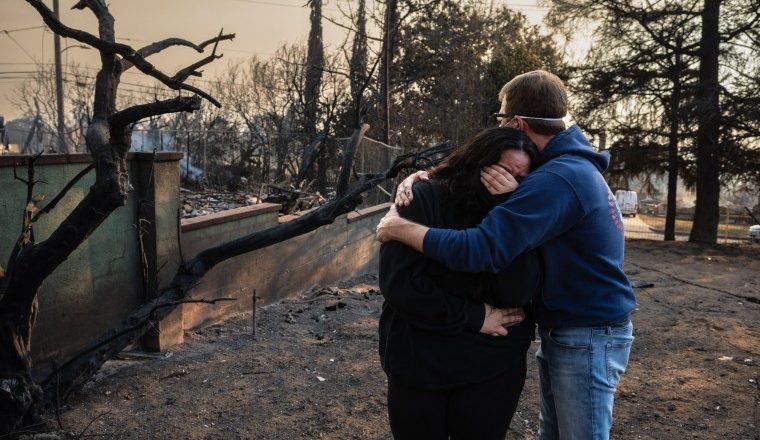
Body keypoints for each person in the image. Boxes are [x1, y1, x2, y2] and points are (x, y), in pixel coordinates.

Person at [377, 70, 636, 440]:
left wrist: (401, 228)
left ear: (516, 122)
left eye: (501, 118)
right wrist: (424, 177)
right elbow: (468, 169)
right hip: (576, 329)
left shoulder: (557, 178)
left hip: (586, 333)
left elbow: (483, 248)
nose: (510, 176)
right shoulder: (562, 167)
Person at [380, 127, 541, 440]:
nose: (510, 182)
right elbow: (400, 285)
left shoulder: (520, 211)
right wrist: (474, 316)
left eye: (521, 179)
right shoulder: (423, 196)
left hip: (491, 366)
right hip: (420, 361)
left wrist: (507, 207)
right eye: (504, 171)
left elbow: (518, 291)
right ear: (478, 162)